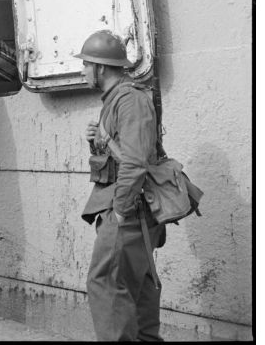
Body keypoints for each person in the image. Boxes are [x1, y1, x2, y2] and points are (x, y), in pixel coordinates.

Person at [75, 30, 166, 342]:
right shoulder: (116, 100)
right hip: (128, 210)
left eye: (86, 64)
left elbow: (135, 162)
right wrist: (95, 143)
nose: (83, 71)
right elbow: (117, 161)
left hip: (128, 212)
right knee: (134, 290)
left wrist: (121, 212)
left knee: (107, 286)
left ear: (101, 67)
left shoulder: (129, 100)